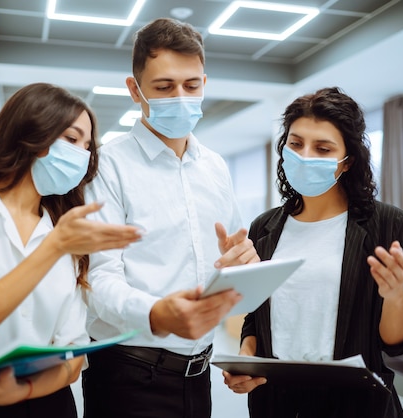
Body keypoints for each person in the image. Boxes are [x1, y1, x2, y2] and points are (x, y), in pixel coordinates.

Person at [0, 83, 143, 418]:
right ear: (30, 134)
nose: (82, 154)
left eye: (88, 146)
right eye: (71, 139)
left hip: (50, 404)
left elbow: (73, 357)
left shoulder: (62, 234)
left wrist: (24, 390)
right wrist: (53, 247)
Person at [81, 18, 259, 418]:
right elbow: (97, 279)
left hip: (199, 377)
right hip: (128, 376)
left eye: (191, 85)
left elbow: (229, 261)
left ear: (203, 84)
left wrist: (242, 264)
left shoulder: (215, 167)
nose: (180, 96)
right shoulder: (108, 166)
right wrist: (156, 313)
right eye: (164, 87)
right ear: (135, 89)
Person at [222, 87, 403, 418]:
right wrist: (245, 362)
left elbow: (396, 344)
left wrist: (397, 294)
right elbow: (255, 320)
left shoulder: (386, 224)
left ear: (347, 162)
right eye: (295, 144)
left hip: (356, 405)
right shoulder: (264, 228)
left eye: (323, 148)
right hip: (275, 404)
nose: (305, 155)